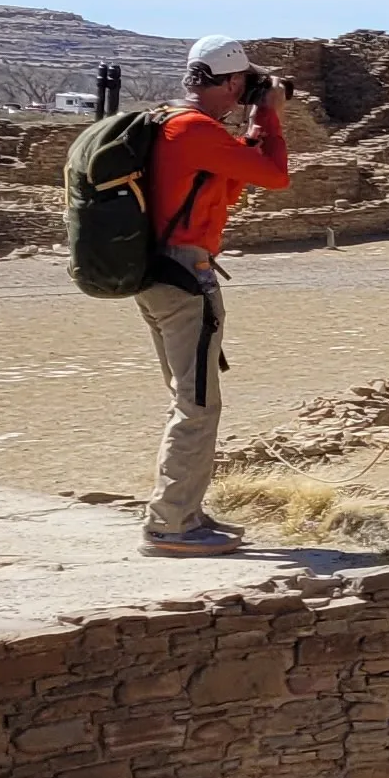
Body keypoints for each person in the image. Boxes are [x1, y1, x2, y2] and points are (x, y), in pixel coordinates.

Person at [136, 37, 294, 555]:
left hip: (157, 270)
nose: (247, 90)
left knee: (189, 397)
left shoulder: (167, 122)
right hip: (185, 275)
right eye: (243, 83)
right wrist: (269, 118)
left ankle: (186, 509)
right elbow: (274, 177)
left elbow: (226, 185)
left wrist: (249, 129)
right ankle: (171, 525)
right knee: (198, 403)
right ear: (229, 82)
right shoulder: (196, 131)